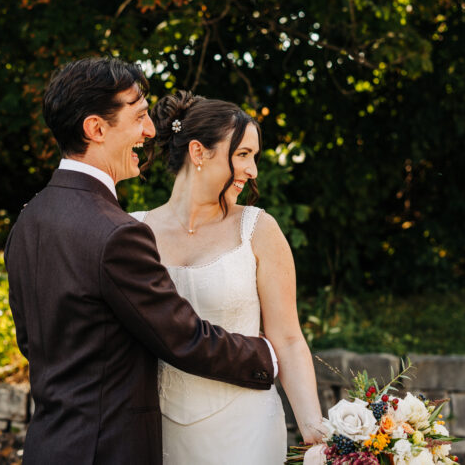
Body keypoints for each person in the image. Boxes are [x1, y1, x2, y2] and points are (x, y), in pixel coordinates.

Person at [4, 57, 278, 465]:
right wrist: (267, 357)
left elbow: (33, 341)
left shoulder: (29, 218)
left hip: (50, 444)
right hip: (109, 449)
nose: (150, 131)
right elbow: (181, 337)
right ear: (96, 129)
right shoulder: (118, 233)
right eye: (139, 116)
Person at [131, 91, 324, 464]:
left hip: (245, 427)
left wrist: (315, 432)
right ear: (199, 152)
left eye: (254, 157)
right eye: (242, 155)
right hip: (157, 430)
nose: (253, 171)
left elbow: (287, 338)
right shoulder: (134, 231)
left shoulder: (258, 229)